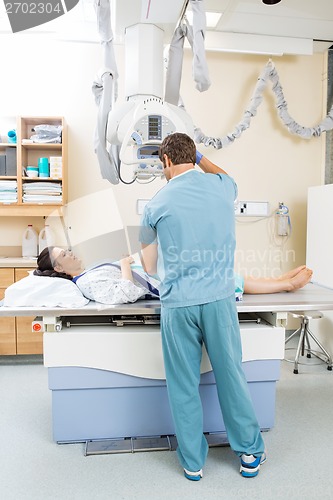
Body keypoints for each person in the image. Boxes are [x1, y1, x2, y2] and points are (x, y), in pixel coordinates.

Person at [139, 132, 274, 481]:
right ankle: (248, 454)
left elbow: (150, 266)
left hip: (179, 306)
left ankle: (193, 462)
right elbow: (225, 174)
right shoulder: (221, 188)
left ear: (166, 161)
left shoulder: (156, 204)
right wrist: (198, 157)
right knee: (231, 376)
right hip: (218, 300)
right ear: (193, 156)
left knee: (183, 384)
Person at [34, 246, 312, 305]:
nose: (70, 252)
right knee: (225, 279)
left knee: (224, 272)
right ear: (59, 268)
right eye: (64, 254)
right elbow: (125, 294)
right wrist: (126, 264)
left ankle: (278, 280)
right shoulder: (87, 284)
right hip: (165, 287)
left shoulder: (88, 271)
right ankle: (286, 285)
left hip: (161, 274)